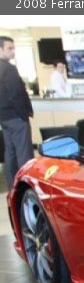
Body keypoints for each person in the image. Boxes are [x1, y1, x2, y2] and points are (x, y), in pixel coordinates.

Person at [0, 35, 34, 190]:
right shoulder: (8, 69)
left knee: (11, 152)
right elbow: (16, 94)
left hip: (4, 117)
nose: (13, 52)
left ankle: (12, 186)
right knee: (24, 153)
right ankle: (25, 185)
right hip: (16, 116)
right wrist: (23, 114)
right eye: (9, 48)